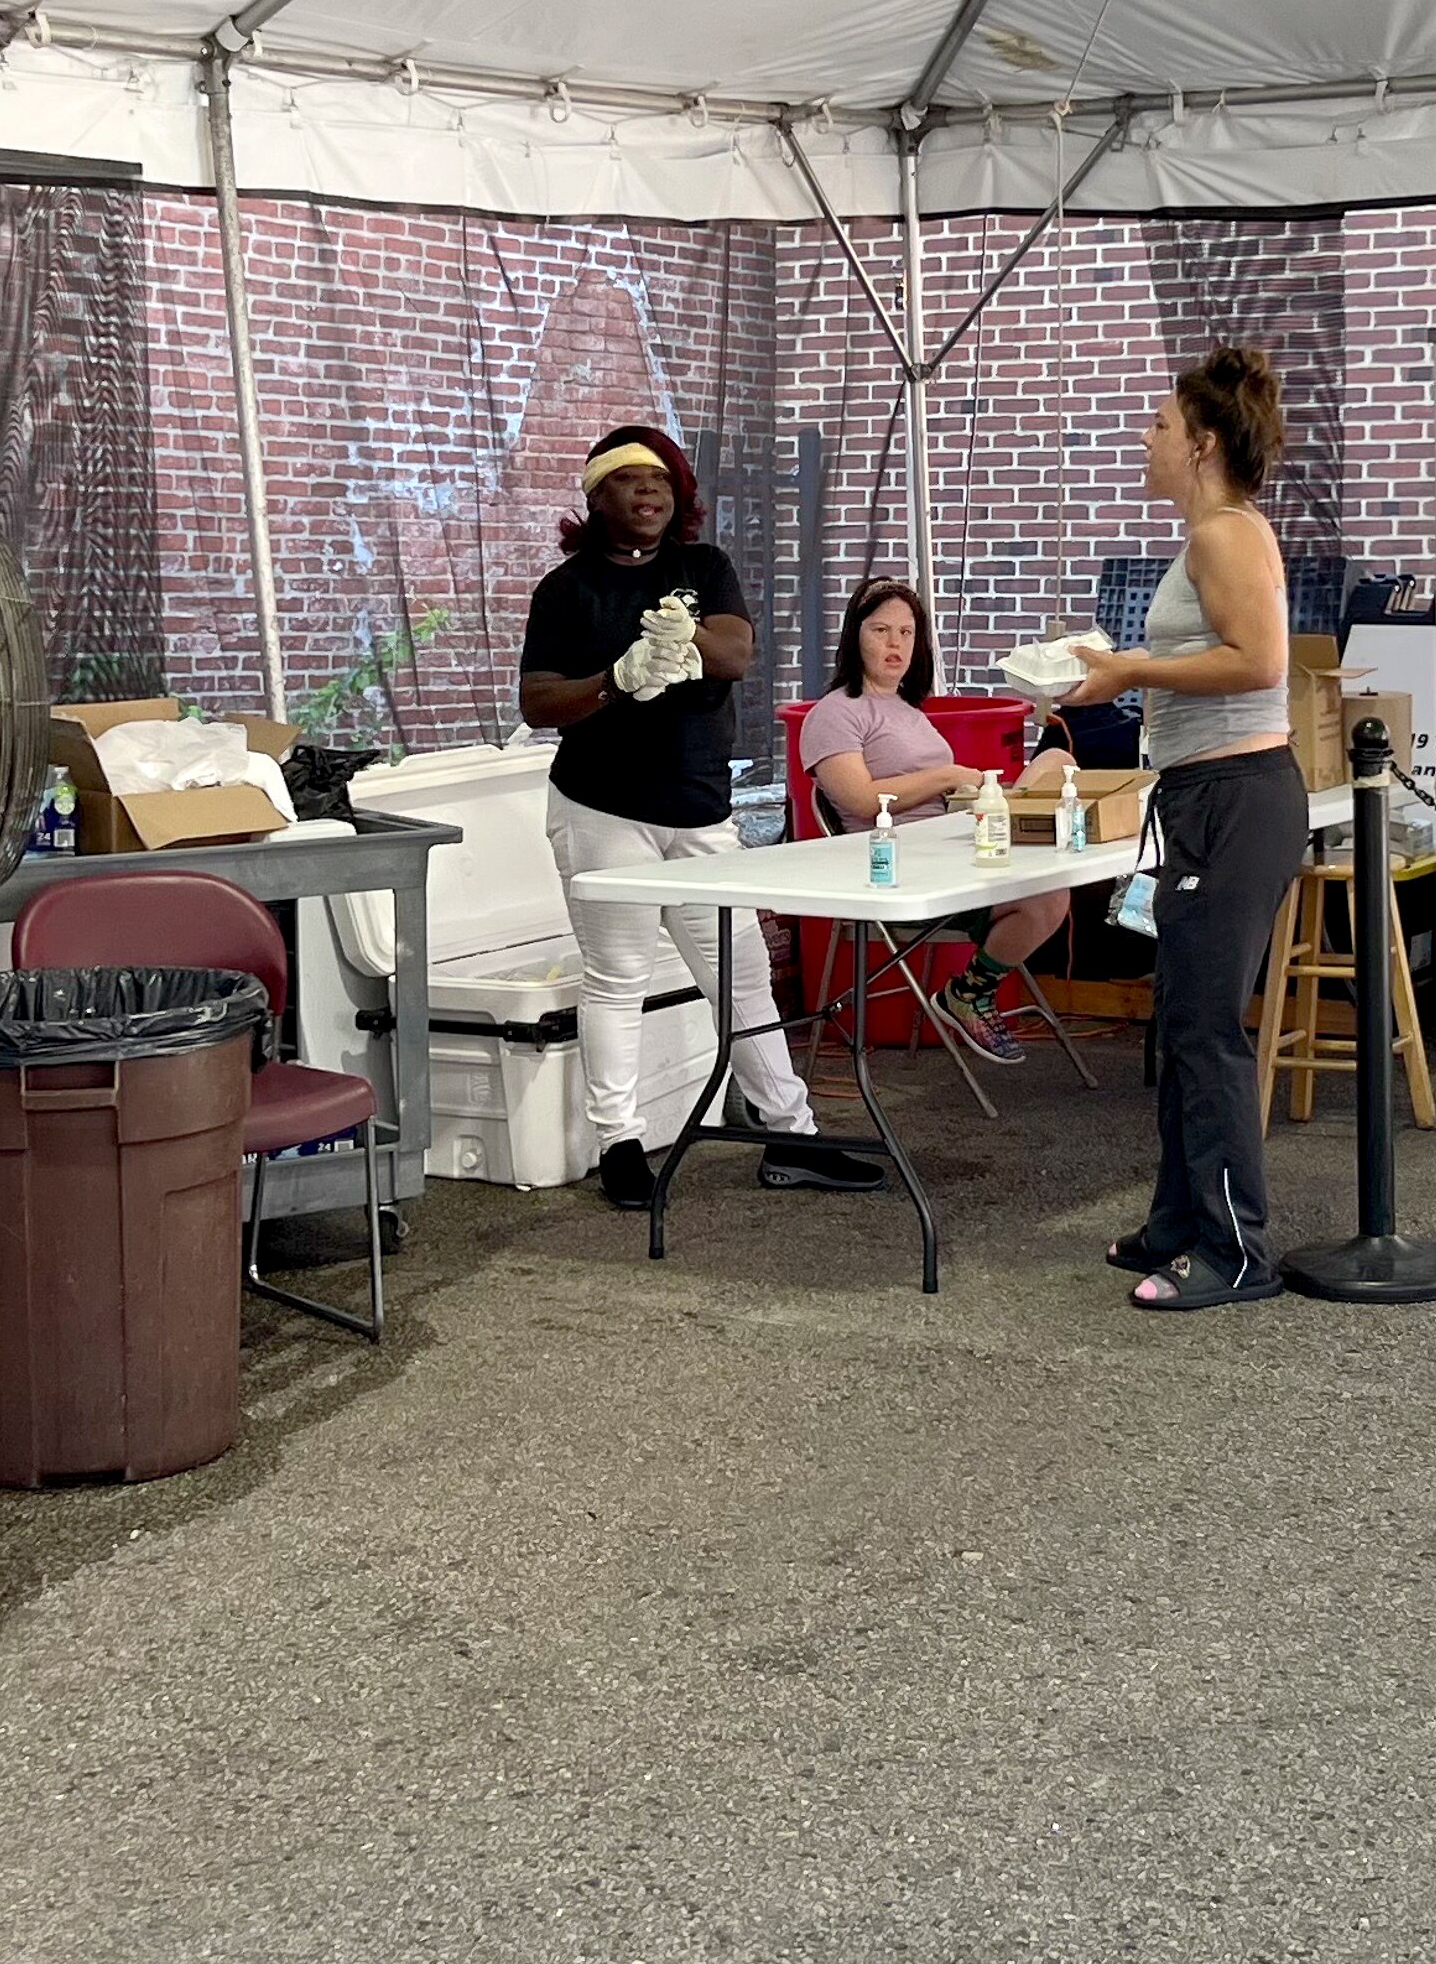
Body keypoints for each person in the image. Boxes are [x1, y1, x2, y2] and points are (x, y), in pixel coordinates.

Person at [522, 424, 880, 1205]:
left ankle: (791, 1137)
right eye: (629, 479)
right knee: (617, 979)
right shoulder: (567, 589)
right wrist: (616, 679)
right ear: (597, 496)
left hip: (700, 809)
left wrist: (686, 637)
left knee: (742, 977)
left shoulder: (703, 567)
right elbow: (538, 700)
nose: (648, 491)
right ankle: (620, 1146)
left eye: (661, 478)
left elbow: (737, 654)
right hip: (602, 809)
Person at [1058, 345, 1308, 1309]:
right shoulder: (1206, 536)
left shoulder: (1226, 536)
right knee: (1181, 1018)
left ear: (1202, 443)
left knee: (1206, 1029)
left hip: (1237, 796)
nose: (1147, 437)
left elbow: (1260, 662)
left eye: (1161, 425)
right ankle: (1177, 1222)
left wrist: (1130, 670)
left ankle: (1237, 1252)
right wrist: (1121, 671)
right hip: (1203, 796)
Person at [798, 576, 1079, 1065]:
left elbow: (930, 789)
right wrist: (948, 776)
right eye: (881, 630)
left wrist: (968, 793)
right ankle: (970, 993)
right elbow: (862, 800)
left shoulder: (906, 708)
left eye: (906, 633)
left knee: (1058, 764)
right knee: (1046, 897)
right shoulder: (836, 713)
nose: (895, 644)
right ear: (854, 637)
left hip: (951, 844)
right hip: (896, 869)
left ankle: (970, 991)